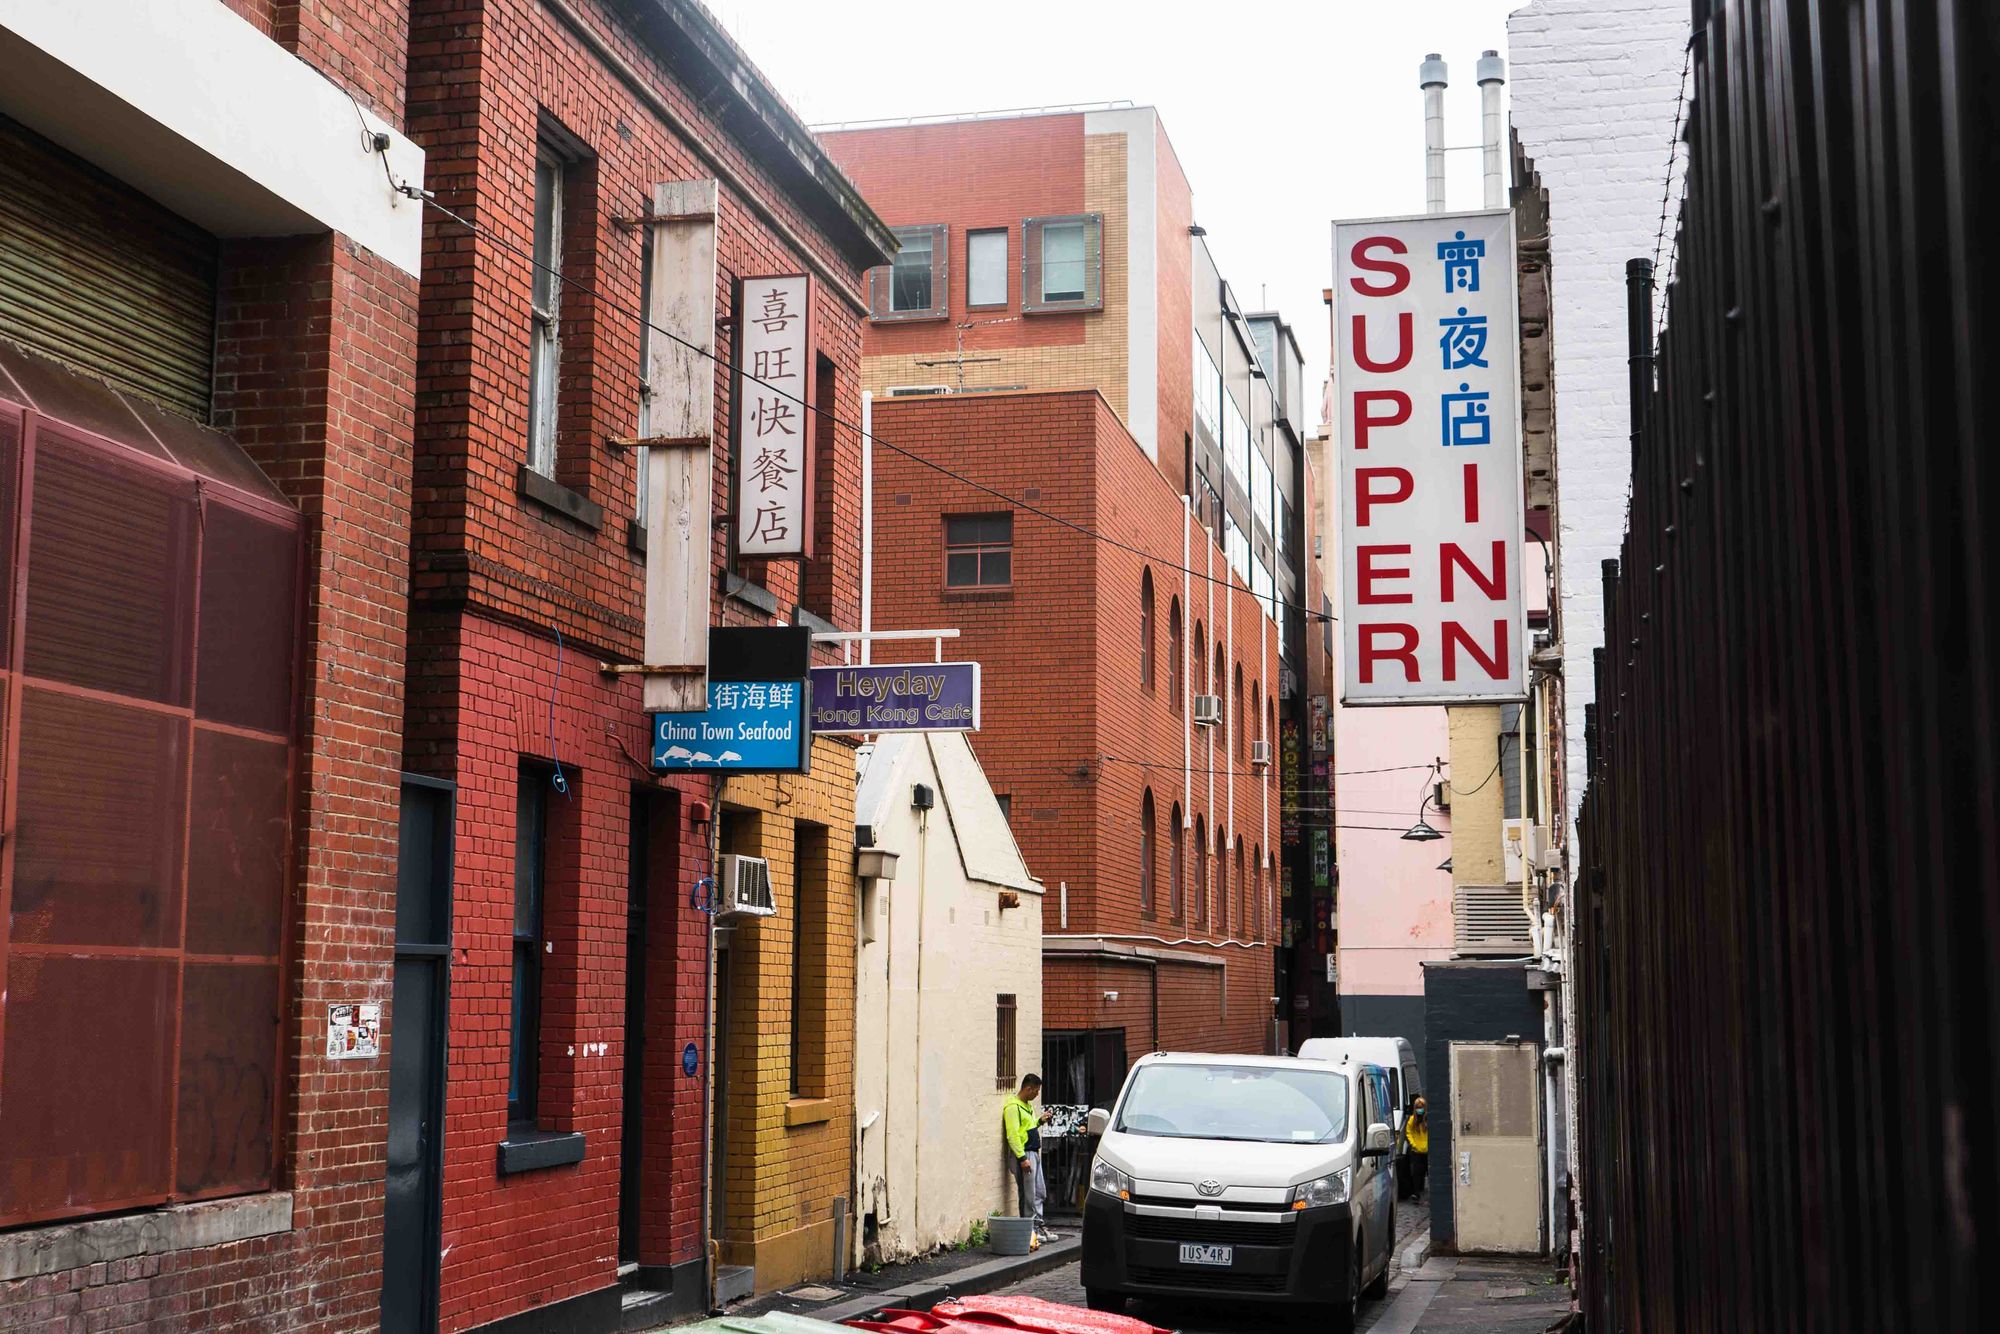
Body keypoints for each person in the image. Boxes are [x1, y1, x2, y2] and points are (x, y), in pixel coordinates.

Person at [1003, 1073, 1058, 1242]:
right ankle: (1030, 1229)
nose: (1037, 1094)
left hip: (1033, 1153)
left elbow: (1027, 1127)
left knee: (1039, 1191)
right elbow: (1013, 1135)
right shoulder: (1013, 1107)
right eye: (1036, 1091)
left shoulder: (1026, 1106)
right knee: (1028, 1193)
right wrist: (1022, 1158)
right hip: (1025, 1155)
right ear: (1028, 1088)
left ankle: (1037, 1224)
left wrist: (1040, 1121)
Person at [1404, 1095, 1430, 1201]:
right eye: (1418, 1107)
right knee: (1416, 1173)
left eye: (1421, 1107)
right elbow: (1408, 1133)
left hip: (1426, 1150)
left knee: (1426, 1172)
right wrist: (1413, 1144)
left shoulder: (1427, 1120)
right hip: (1416, 1150)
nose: (1420, 1110)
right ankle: (1416, 1192)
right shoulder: (1412, 1120)